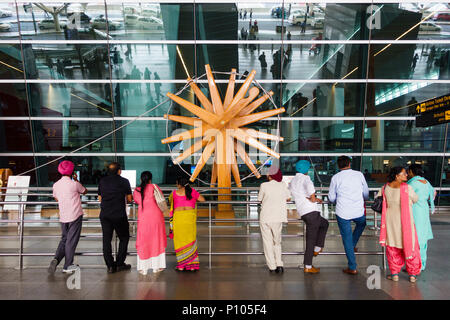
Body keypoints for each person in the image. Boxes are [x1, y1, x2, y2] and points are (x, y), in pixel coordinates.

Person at [377, 166, 421, 283]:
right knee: (410, 247)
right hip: (405, 223)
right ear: (397, 176)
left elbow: (378, 199)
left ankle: (395, 274)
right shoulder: (407, 188)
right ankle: (412, 275)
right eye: (404, 173)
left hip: (390, 222)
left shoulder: (385, 187)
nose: (406, 175)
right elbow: (416, 199)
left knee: (392, 247)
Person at [328, 156, 369, 275]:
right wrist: (364, 199)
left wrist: (335, 199)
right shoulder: (359, 174)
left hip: (342, 212)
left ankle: (352, 266)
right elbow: (366, 192)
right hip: (358, 210)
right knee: (362, 223)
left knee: (347, 238)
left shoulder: (335, 177)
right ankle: (353, 245)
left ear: (338, 165)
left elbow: (331, 197)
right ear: (349, 164)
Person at [289, 160, 329, 274]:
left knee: (324, 224)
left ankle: (317, 248)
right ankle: (308, 265)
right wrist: (314, 198)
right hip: (311, 212)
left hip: (303, 212)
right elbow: (311, 192)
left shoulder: (293, 181)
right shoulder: (306, 179)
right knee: (311, 240)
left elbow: (299, 195)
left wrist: (312, 198)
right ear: (306, 169)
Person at [49, 160, 87, 274]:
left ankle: (56, 258)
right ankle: (68, 265)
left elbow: (56, 198)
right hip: (75, 215)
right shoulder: (74, 184)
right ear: (71, 172)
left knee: (64, 239)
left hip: (63, 216)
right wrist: (76, 179)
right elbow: (84, 191)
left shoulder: (56, 185)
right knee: (71, 241)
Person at [98, 162, 133, 273]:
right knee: (124, 238)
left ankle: (110, 266)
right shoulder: (124, 181)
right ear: (119, 171)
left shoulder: (102, 181)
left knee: (106, 240)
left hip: (105, 215)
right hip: (119, 215)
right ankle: (119, 264)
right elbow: (129, 199)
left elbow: (100, 198)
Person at [133, 171, 167, 275]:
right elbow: (161, 200)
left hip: (144, 219)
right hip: (156, 218)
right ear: (150, 179)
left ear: (140, 179)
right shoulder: (154, 187)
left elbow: (137, 201)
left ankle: (143, 268)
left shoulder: (137, 190)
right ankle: (157, 267)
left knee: (144, 241)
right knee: (157, 239)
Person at [258, 169, 291, 273]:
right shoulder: (282, 185)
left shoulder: (264, 185)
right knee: (277, 242)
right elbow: (288, 198)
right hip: (278, 217)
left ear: (270, 176)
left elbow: (259, 199)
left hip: (265, 217)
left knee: (267, 242)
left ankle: (272, 266)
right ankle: (279, 265)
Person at [169, 176, 205, 271]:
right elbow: (202, 199)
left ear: (179, 184)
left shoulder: (173, 194)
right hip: (189, 219)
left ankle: (181, 266)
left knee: (179, 241)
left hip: (179, 219)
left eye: (177, 183)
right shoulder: (192, 192)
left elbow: (170, 203)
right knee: (190, 240)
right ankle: (192, 265)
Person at [407, 164, 435, 271]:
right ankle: (422, 264)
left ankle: (415, 264)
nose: (407, 174)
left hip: (415, 211)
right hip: (424, 210)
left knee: (415, 238)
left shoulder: (412, 183)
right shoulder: (426, 182)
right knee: (423, 238)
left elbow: (405, 194)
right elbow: (432, 194)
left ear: (412, 172)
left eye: (408, 171)